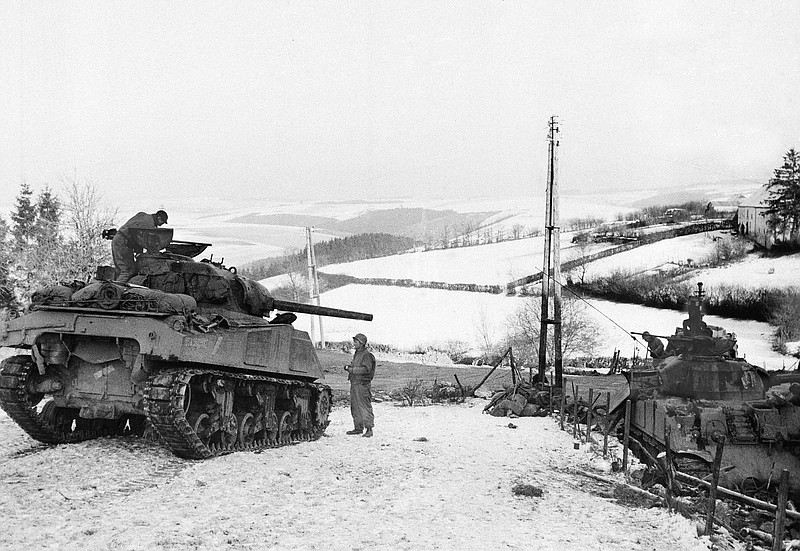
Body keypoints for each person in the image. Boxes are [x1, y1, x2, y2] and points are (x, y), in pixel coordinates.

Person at [112, 210, 168, 283]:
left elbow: (136, 235)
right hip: (124, 243)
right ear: (159, 218)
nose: (161, 225)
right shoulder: (149, 226)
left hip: (117, 239)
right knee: (128, 270)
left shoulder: (143, 215)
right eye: (162, 222)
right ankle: (116, 289)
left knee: (120, 269)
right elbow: (143, 241)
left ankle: (114, 286)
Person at [345, 333, 375, 437]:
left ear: (361, 343)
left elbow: (366, 369)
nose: (354, 343)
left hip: (362, 385)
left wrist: (351, 369)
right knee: (355, 406)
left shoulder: (366, 355)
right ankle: (358, 428)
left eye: (356, 341)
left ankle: (369, 429)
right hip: (355, 383)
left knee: (364, 406)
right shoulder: (357, 354)